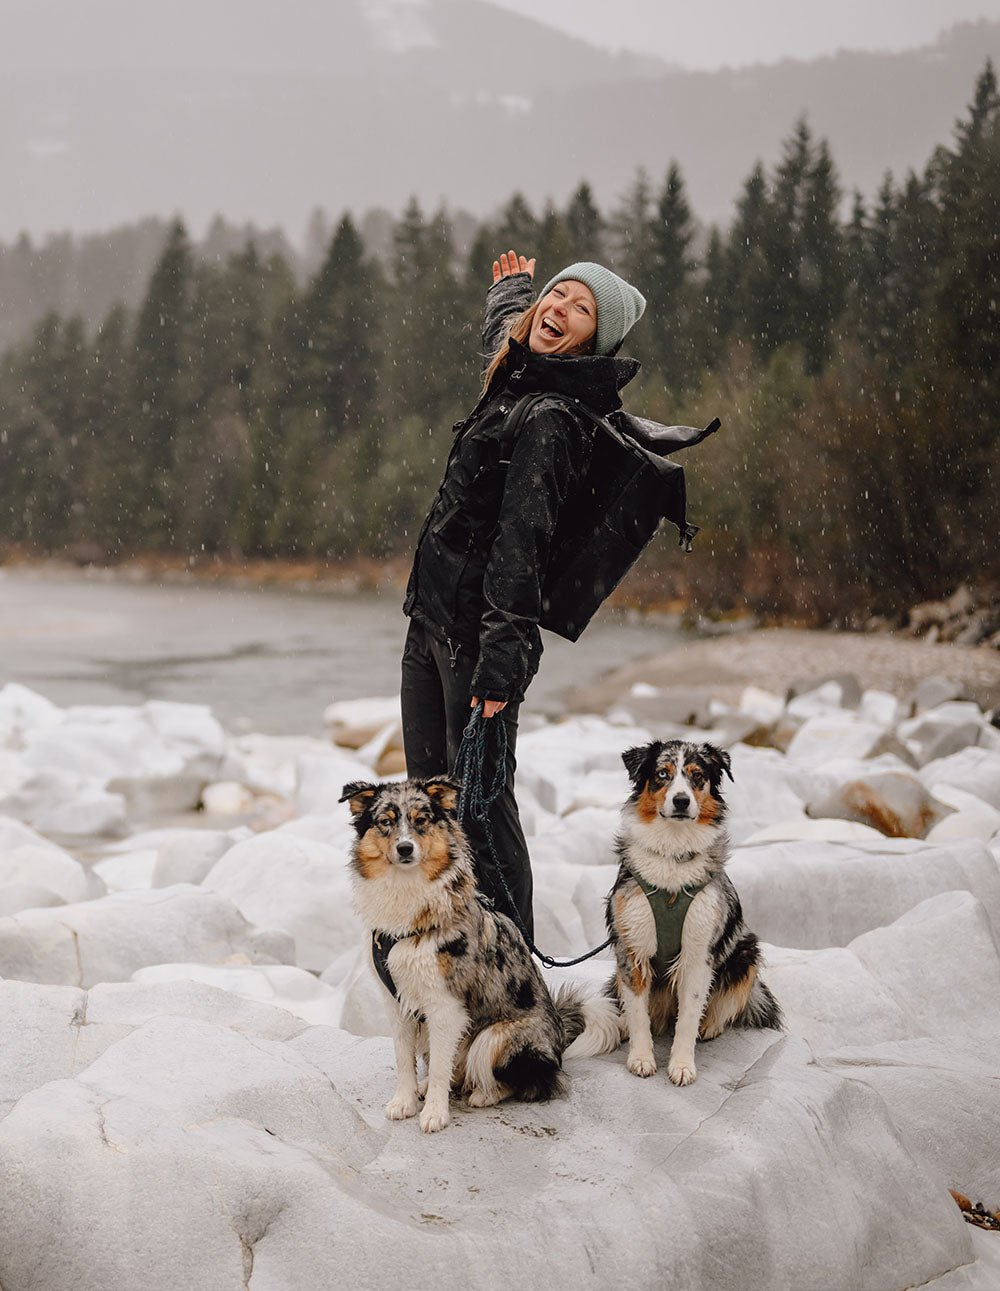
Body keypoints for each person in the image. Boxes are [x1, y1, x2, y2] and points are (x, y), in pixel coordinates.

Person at [400, 249, 646, 938]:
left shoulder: (550, 418)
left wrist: (500, 665)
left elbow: (522, 545)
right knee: (428, 801)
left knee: (479, 804)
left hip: (478, 639)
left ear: (594, 342)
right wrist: (510, 293)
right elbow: (507, 334)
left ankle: (514, 975)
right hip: (430, 621)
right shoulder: (518, 375)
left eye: (579, 308)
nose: (558, 308)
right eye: (557, 294)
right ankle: (445, 950)